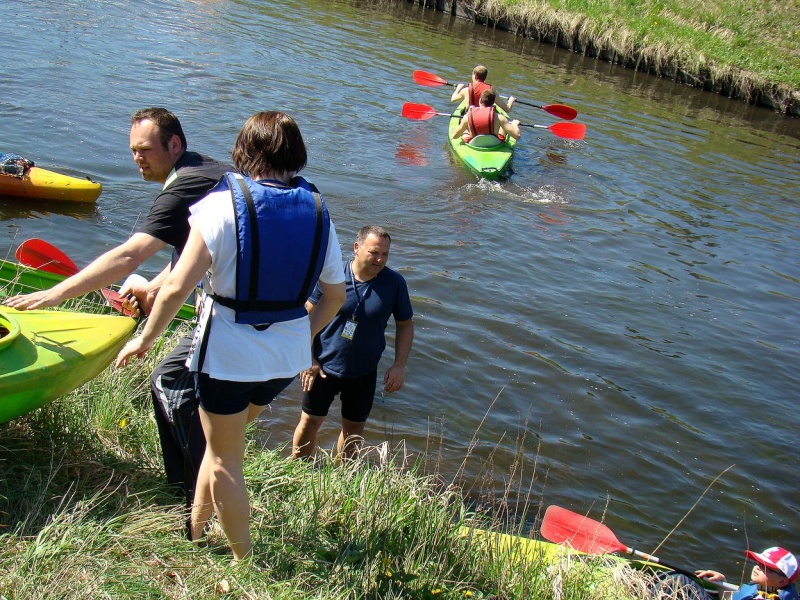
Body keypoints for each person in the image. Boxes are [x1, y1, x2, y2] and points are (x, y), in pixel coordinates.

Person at [115, 110, 346, 562]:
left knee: (225, 461)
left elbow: (177, 287)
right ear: (295, 153)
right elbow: (335, 297)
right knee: (223, 441)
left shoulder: (220, 205)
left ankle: (245, 562)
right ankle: (195, 532)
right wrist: (302, 336)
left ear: (243, 151)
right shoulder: (319, 210)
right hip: (283, 361)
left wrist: (143, 340)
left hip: (226, 356)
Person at [5, 107, 229, 313]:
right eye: (133, 150)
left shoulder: (182, 190)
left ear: (174, 145)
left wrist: (54, 294)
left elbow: (130, 255)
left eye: (145, 150)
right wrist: (151, 291)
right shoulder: (206, 170)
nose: (137, 159)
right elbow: (192, 250)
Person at [292, 225, 414, 460]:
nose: (380, 259)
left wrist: (399, 364)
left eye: (385, 254)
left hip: (363, 370)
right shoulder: (332, 275)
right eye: (374, 252)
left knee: (354, 431)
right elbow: (305, 315)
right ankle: (298, 470)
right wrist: (307, 357)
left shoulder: (394, 283)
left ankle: (343, 478)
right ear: (357, 248)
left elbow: (405, 324)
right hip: (323, 366)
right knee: (310, 421)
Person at [650, 546, 798, 600]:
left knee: (676, 581)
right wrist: (722, 581)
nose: (758, 567)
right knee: (677, 579)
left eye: (766, 567)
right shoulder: (764, 587)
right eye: (758, 563)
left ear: (782, 582)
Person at [452, 89, 521, 145]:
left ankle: (467, 133)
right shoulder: (500, 117)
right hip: (495, 143)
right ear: (493, 102)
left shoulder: (467, 116)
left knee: (465, 129)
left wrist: (465, 129)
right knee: (502, 127)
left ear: (480, 100)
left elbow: (455, 136)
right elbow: (517, 136)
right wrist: (515, 124)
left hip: (474, 143)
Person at [450, 64, 515, 113]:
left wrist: (458, 88)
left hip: (471, 120)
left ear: (474, 76)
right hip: (486, 119)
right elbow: (507, 109)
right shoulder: (491, 89)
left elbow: (453, 99)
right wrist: (510, 101)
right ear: (485, 77)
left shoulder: (466, 90)